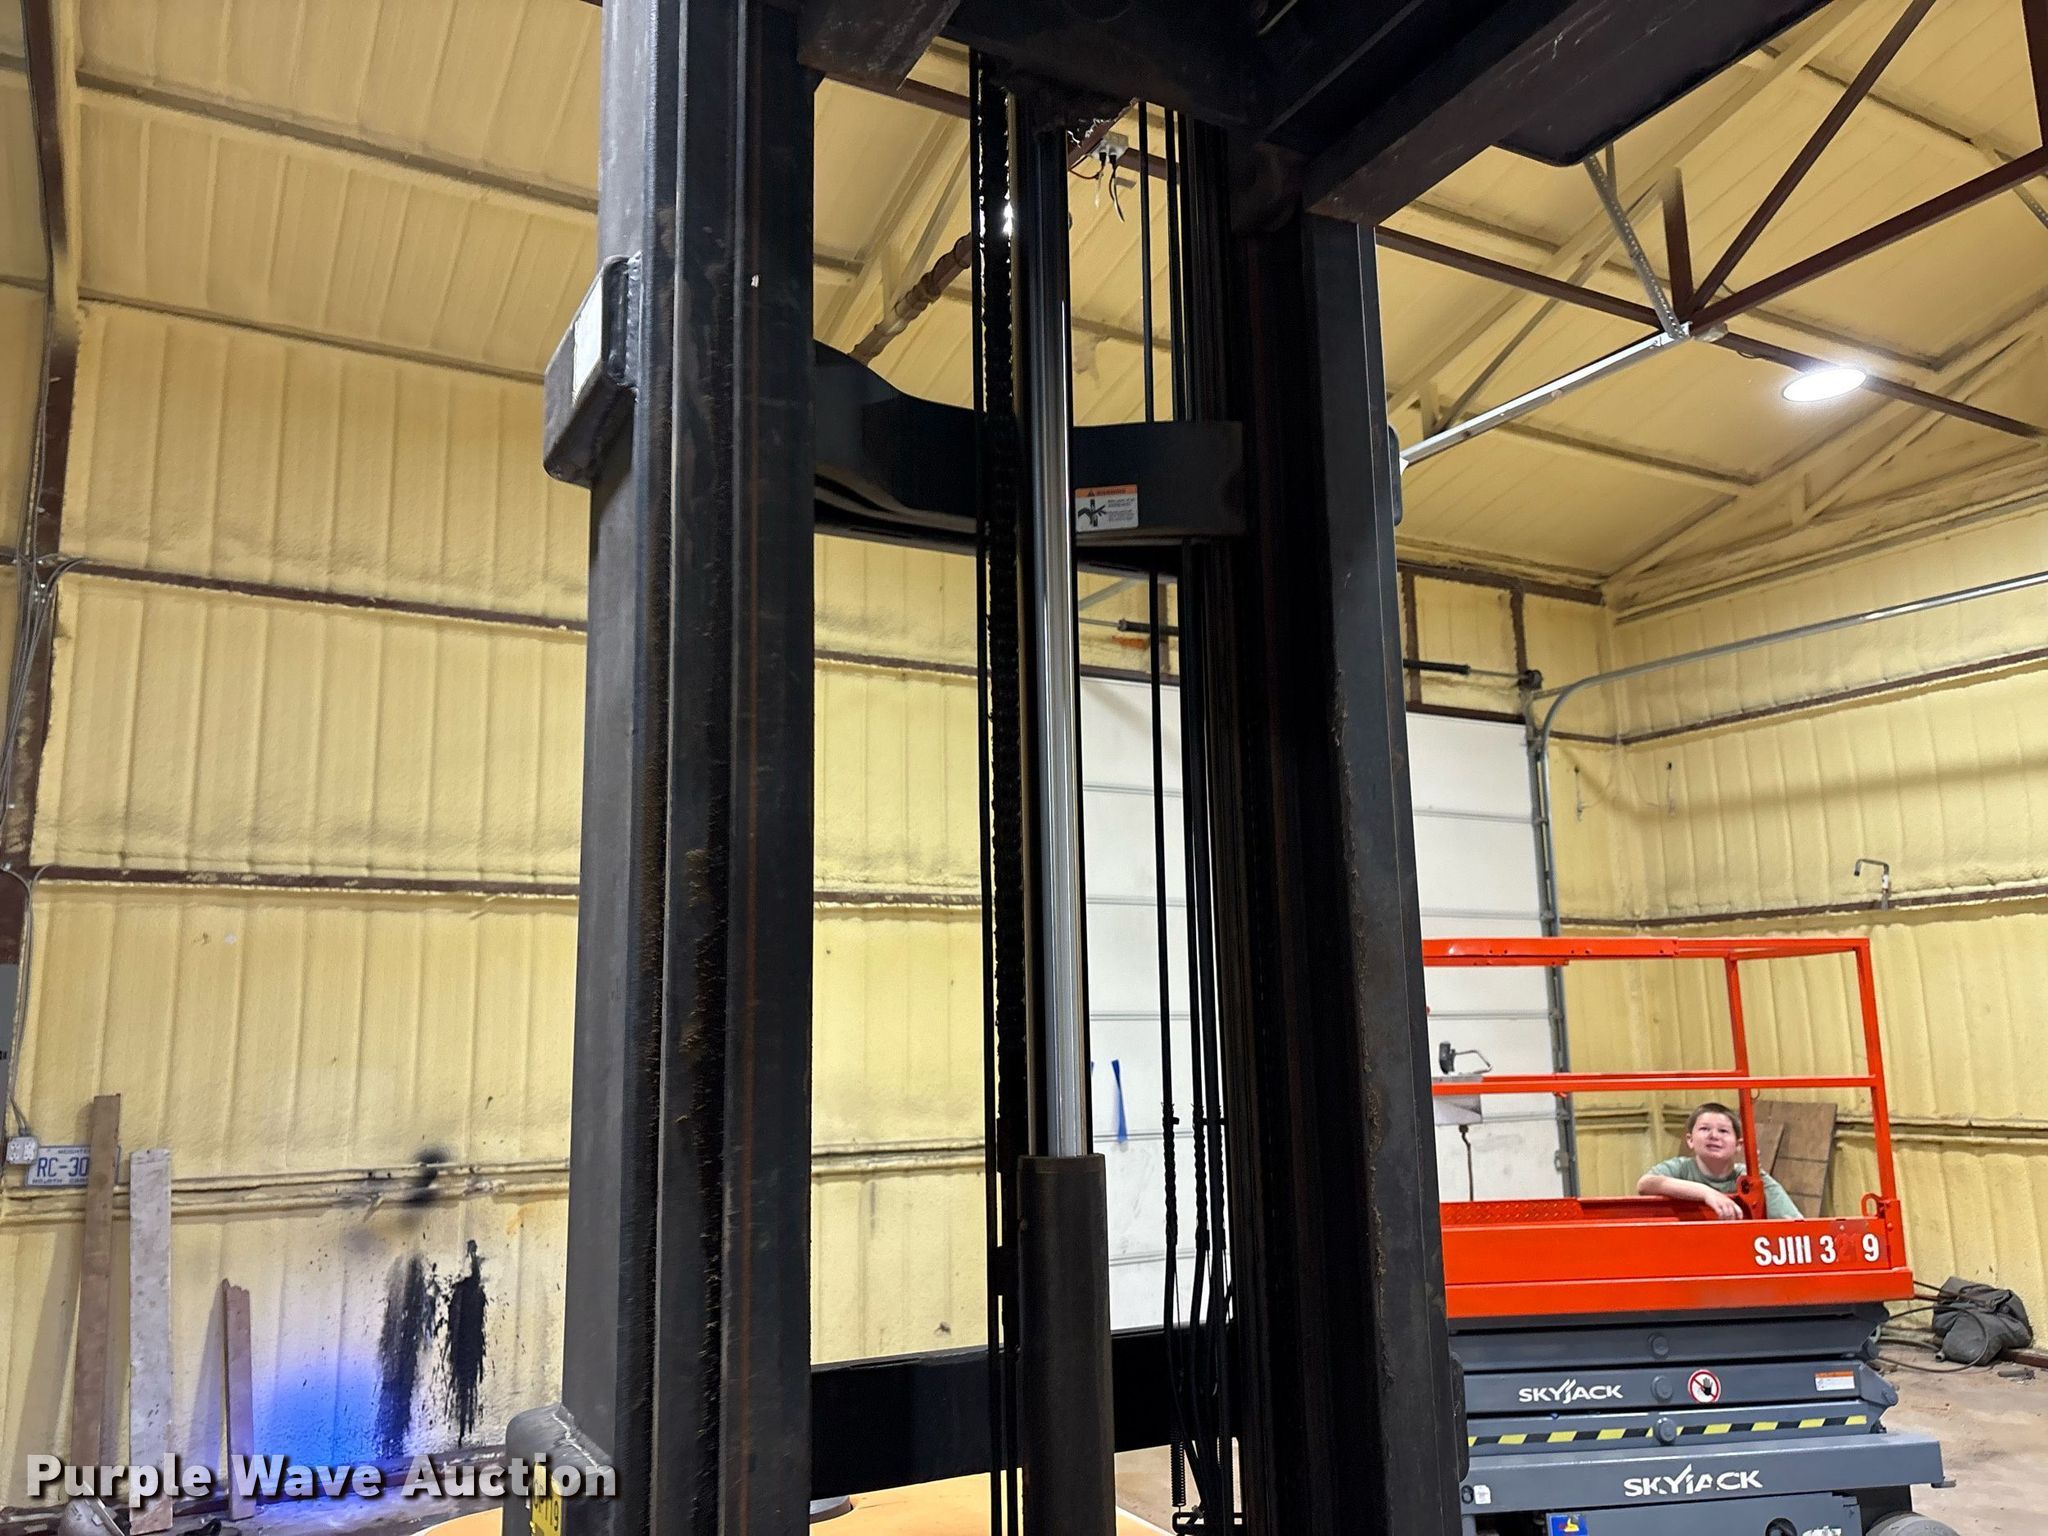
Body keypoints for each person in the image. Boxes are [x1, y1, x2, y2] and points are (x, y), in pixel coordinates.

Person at [1638, 1101, 1802, 1219]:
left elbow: (1792, 1220)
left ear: (1738, 1145)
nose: (1714, 1136)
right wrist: (1706, 1193)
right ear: (1690, 1140)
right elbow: (1645, 1184)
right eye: (1704, 1129)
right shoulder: (1680, 1168)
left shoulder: (1749, 1178)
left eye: (1723, 1131)